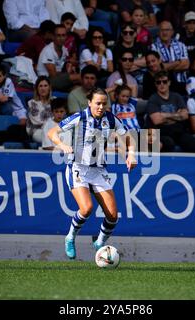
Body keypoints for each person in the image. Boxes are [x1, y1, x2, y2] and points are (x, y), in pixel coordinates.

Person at [47, 87, 137, 259]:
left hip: (98, 170)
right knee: (86, 208)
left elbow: (129, 138)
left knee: (112, 215)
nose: (101, 107)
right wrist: (63, 145)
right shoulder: (80, 117)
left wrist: (131, 154)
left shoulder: (111, 119)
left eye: (104, 103)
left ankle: (100, 242)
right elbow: (52, 132)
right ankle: (70, 237)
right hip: (78, 168)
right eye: (98, 103)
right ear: (89, 103)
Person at [146, 70, 195, 153]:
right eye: (158, 82)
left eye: (164, 82)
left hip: (178, 131)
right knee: (168, 144)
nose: (161, 84)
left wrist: (165, 115)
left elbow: (185, 116)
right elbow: (157, 120)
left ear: (169, 83)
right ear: (155, 84)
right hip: (162, 132)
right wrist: (177, 115)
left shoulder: (176, 96)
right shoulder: (153, 99)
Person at [26, 76, 53, 143]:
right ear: (37, 89)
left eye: (45, 86)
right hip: (37, 130)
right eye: (40, 86)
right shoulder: (32, 103)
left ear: (49, 88)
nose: (43, 88)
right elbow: (37, 122)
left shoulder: (55, 101)